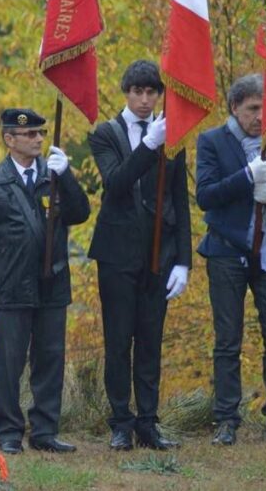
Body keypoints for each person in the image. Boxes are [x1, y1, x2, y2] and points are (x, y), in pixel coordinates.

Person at [196, 74, 266, 447]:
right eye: (253, 109)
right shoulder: (212, 141)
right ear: (235, 107)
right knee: (228, 341)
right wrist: (246, 176)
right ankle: (227, 420)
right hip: (228, 252)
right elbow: (206, 196)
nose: (261, 116)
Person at [0, 108, 90, 454]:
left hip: (52, 283)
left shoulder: (53, 175)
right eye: (30, 134)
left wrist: (65, 176)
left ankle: (45, 431)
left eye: (40, 133)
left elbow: (80, 214)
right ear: (10, 139)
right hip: (11, 286)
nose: (38, 139)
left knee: (50, 359)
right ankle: (8, 431)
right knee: (10, 364)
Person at [87, 61, 190, 451]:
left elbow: (178, 199)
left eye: (152, 93)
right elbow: (115, 184)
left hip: (159, 252)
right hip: (116, 254)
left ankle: (148, 421)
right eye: (138, 92)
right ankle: (120, 421)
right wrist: (149, 145)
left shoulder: (172, 135)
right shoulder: (106, 134)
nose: (146, 100)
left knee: (151, 339)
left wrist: (183, 260)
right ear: (126, 92)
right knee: (118, 340)